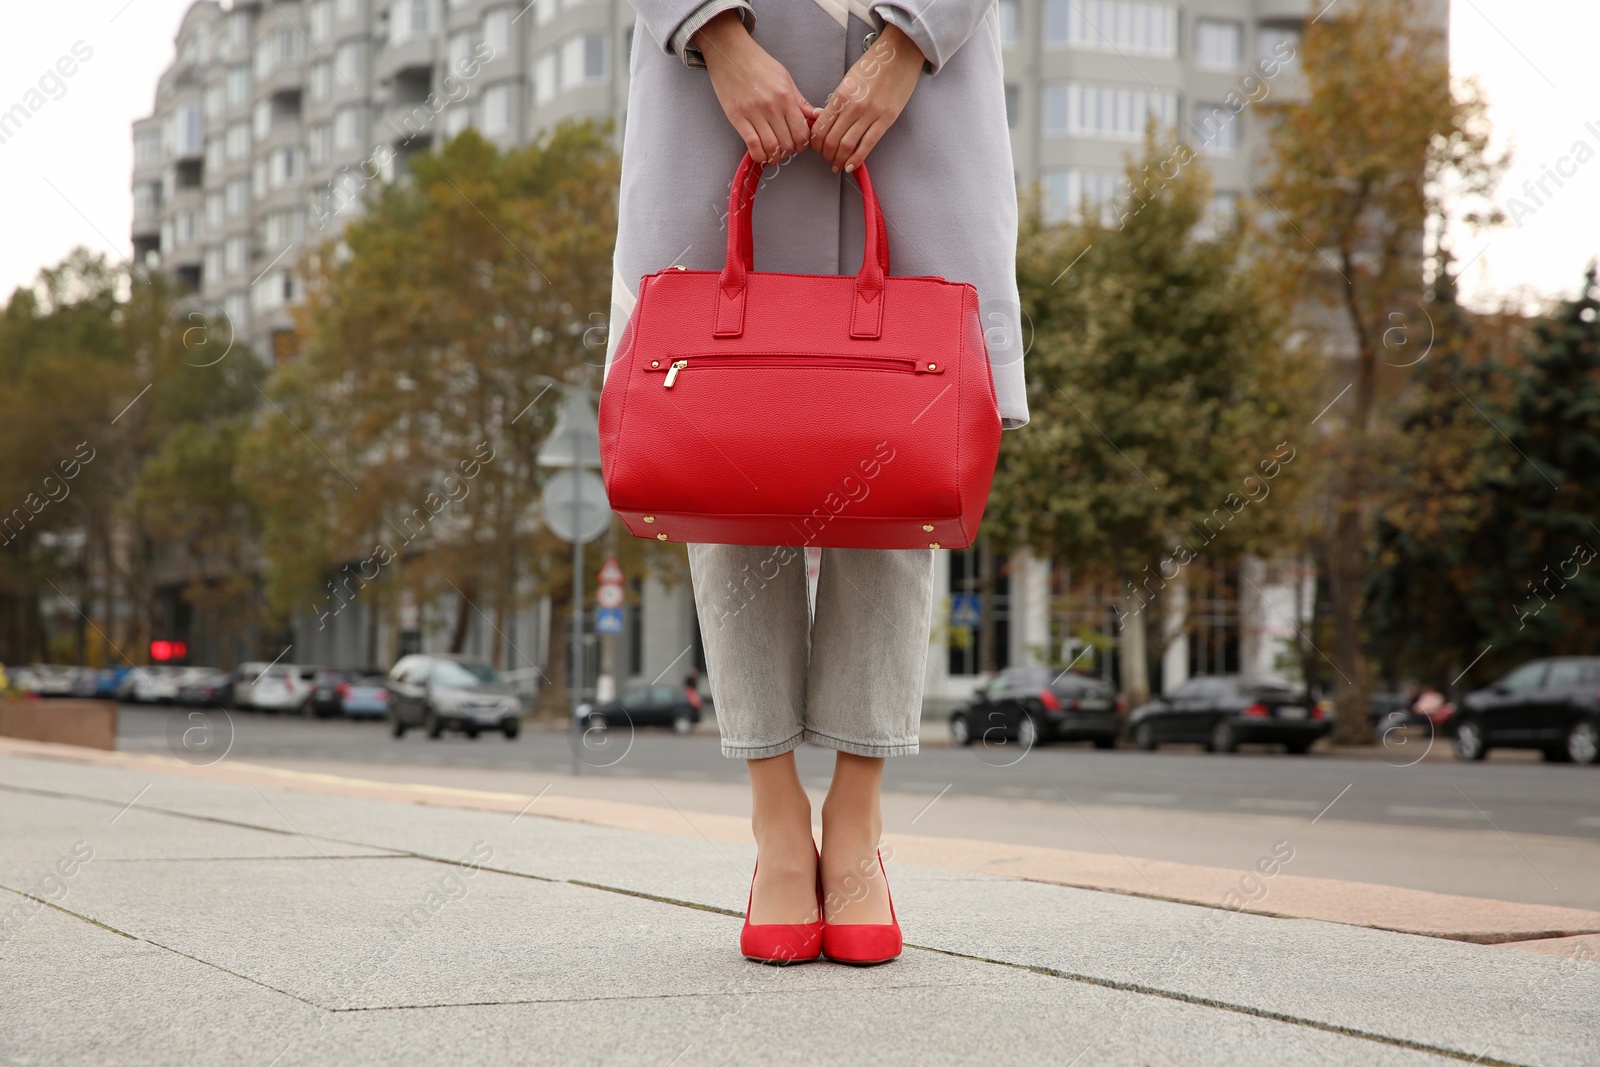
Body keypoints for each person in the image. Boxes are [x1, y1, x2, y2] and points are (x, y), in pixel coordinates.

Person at [609, 2, 1027, 965]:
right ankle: (772, 824)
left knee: (904, 465)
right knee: (721, 450)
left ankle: (856, 818)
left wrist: (909, 40)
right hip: (711, 98)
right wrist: (714, 32)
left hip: (921, 95)